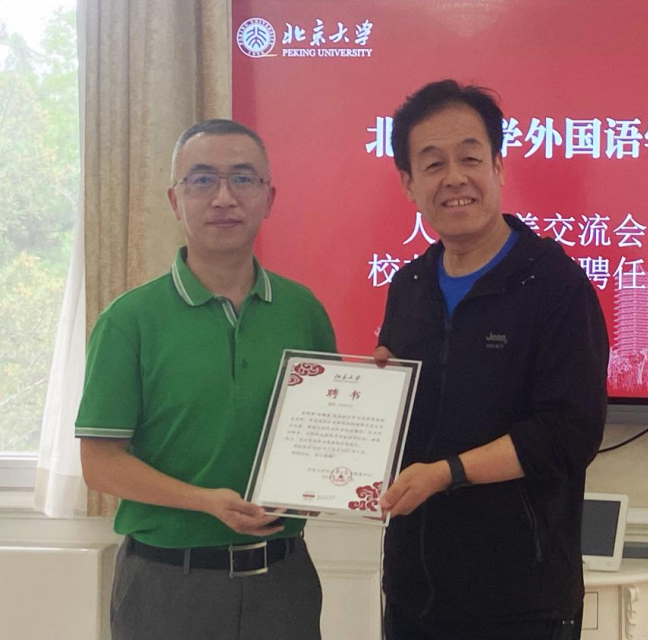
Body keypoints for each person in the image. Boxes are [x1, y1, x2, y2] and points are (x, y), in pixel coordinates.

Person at [76, 119, 335, 640]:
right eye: (201, 180)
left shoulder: (303, 311)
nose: (223, 198)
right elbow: (99, 464)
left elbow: (326, 434)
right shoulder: (130, 320)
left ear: (269, 198)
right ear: (175, 200)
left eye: (242, 178)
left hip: (283, 581)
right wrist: (206, 501)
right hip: (167, 585)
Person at [375, 80, 610, 640]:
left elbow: (569, 433)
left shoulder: (554, 283)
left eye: (470, 157)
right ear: (409, 184)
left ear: (499, 167)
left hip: (521, 602)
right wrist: (370, 397)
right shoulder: (409, 286)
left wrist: (449, 473)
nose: (454, 177)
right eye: (433, 164)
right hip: (414, 593)